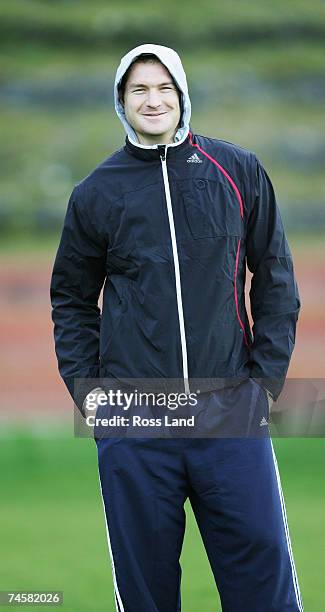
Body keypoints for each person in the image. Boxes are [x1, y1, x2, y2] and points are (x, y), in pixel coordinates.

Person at [50, 44, 303, 611]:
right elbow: (70, 298)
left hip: (229, 414)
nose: (153, 99)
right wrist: (89, 395)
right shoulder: (95, 193)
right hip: (135, 421)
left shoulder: (236, 171)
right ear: (122, 102)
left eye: (164, 87)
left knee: (263, 589)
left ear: (182, 94)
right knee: (146, 594)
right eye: (139, 89)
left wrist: (264, 383)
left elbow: (277, 279)